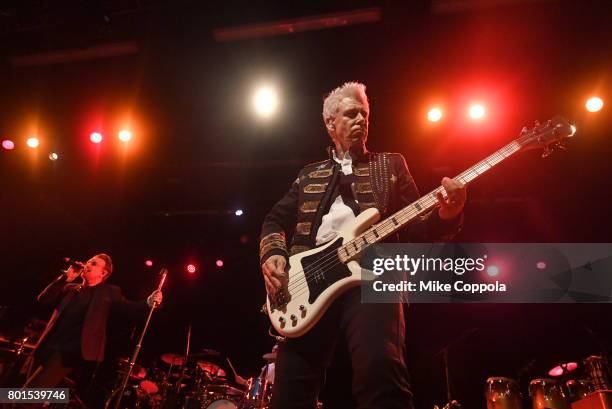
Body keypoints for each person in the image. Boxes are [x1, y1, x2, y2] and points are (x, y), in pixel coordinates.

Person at [259, 82, 467, 409]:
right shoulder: (308, 174)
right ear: (330, 123)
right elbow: (274, 219)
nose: (361, 120)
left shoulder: (392, 165)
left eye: (365, 114)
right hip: (307, 282)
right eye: (351, 114)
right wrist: (272, 255)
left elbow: (416, 230)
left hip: (374, 272)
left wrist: (448, 214)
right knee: (290, 392)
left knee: (381, 373)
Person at [23, 253, 163, 389]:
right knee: (28, 394)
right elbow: (43, 299)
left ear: (103, 273)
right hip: (48, 346)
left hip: (68, 352)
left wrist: (148, 302)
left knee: (29, 394)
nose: (88, 264)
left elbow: (128, 309)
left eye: (94, 263)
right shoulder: (70, 288)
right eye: (89, 261)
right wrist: (65, 278)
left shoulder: (108, 292)